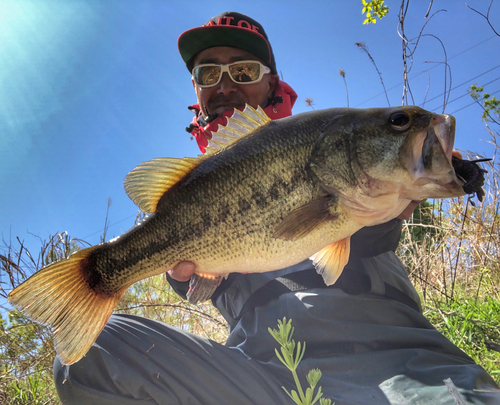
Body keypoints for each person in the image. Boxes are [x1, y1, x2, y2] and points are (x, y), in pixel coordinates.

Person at [53, 11, 500, 405]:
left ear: (271, 81)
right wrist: (177, 274)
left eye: (243, 69)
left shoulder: (326, 142)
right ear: (197, 90)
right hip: (262, 375)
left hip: (396, 361)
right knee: (90, 357)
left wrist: (413, 192)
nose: (225, 84)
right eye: (208, 74)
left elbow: (364, 230)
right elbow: (203, 280)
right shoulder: (189, 190)